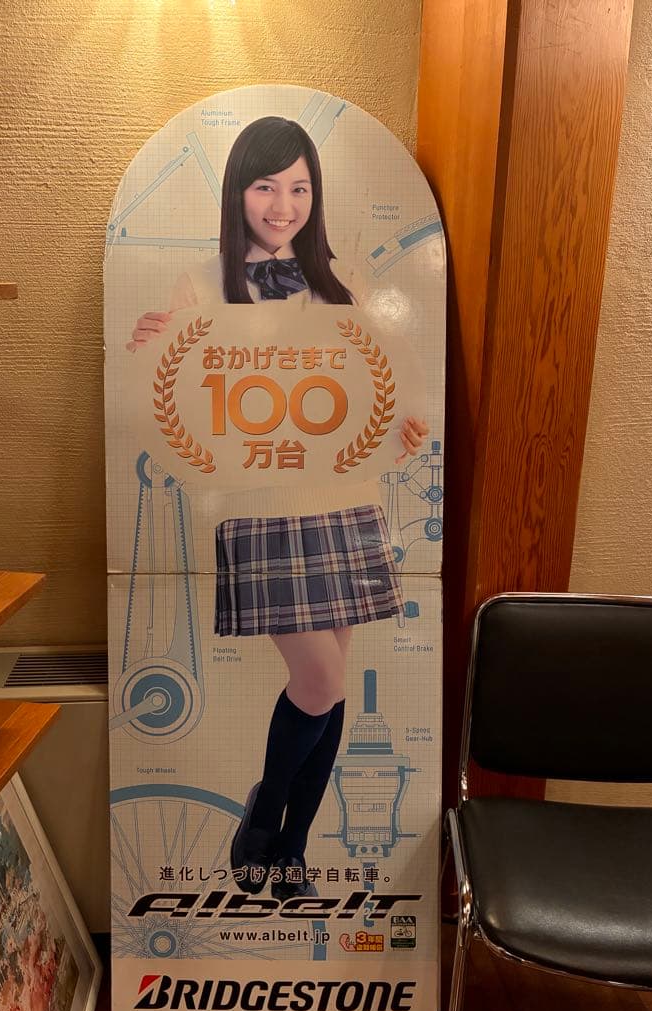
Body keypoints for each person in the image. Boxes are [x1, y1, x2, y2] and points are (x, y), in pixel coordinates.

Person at [127, 116, 428, 899]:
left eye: (299, 187)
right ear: (238, 191)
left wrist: (402, 426)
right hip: (261, 510)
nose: (283, 205)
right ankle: (264, 815)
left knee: (332, 681)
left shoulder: (344, 278)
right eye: (266, 186)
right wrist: (148, 350)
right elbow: (174, 402)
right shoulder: (200, 287)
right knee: (319, 681)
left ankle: (290, 847)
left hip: (343, 503)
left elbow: (378, 379)